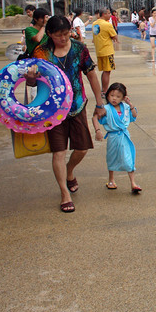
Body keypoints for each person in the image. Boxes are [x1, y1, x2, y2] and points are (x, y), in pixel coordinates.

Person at [27, 15, 105, 213]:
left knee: (82, 148)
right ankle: (64, 193)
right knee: (59, 152)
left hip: (77, 105)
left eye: (67, 33)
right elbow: (31, 83)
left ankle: (70, 171)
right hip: (52, 110)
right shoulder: (41, 52)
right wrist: (30, 78)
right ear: (50, 34)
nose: (64, 38)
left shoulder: (79, 49)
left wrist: (99, 101)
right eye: (59, 35)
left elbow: (92, 76)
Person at [92, 82, 142, 193]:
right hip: (113, 137)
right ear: (107, 95)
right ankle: (111, 179)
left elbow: (134, 115)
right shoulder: (106, 108)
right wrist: (98, 131)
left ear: (123, 98)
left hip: (124, 136)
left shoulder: (125, 107)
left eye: (118, 96)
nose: (114, 98)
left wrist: (130, 104)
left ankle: (133, 183)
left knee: (128, 158)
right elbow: (95, 117)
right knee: (111, 157)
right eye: (112, 95)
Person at [89, 8, 118, 93]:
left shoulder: (94, 24)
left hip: (99, 50)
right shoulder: (107, 24)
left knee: (104, 71)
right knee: (107, 71)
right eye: (108, 13)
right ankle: (104, 91)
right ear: (103, 14)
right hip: (107, 50)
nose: (110, 15)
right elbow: (114, 36)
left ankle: (103, 89)